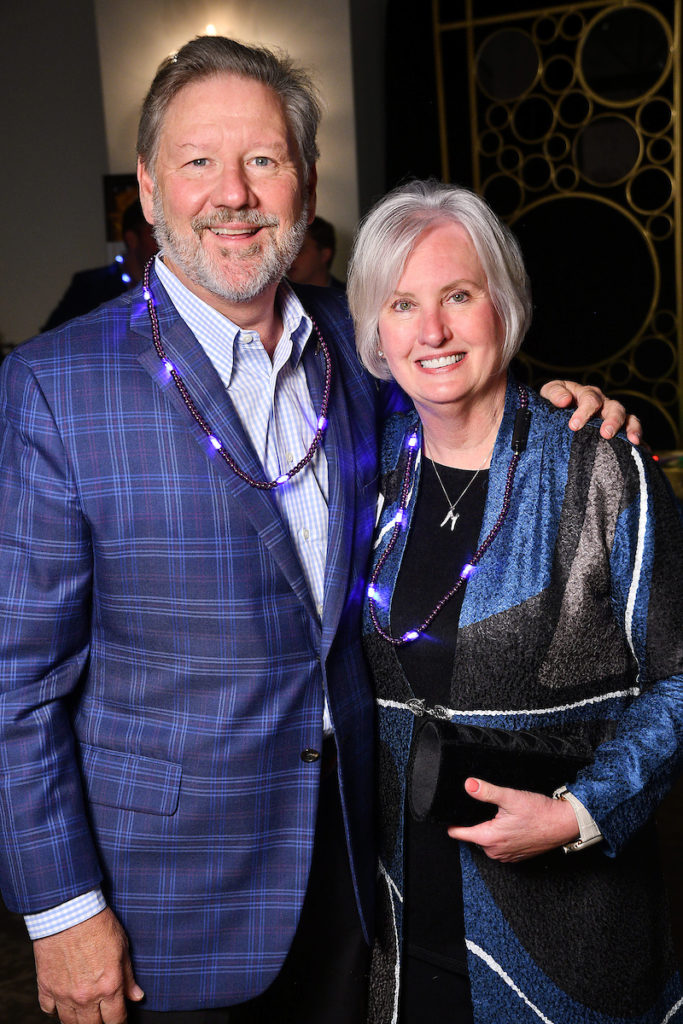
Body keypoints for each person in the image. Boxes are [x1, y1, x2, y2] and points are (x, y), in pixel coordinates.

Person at [0, 36, 637, 1024]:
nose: (233, 194)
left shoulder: (357, 335)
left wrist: (554, 406)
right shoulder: (54, 386)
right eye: (198, 161)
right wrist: (61, 906)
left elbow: (462, 383)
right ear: (147, 184)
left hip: (357, 873)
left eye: (263, 160)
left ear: (302, 180)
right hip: (165, 907)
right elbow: (15, 684)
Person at [348, 180, 683, 1024]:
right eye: (401, 304)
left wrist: (579, 812)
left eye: (457, 296)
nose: (431, 332)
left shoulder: (600, 467)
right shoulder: (363, 470)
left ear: (502, 303)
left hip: (565, 927)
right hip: (395, 914)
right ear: (375, 334)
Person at [41, 199, 159, 330]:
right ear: (132, 239)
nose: (163, 243)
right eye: (155, 234)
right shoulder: (90, 287)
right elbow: (52, 337)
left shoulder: (169, 285)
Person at [287, 215, 345, 289]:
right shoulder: (276, 297)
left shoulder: (351, 297)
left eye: (299, 250)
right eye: (288, 250)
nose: (289, 258)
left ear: (324, 255)